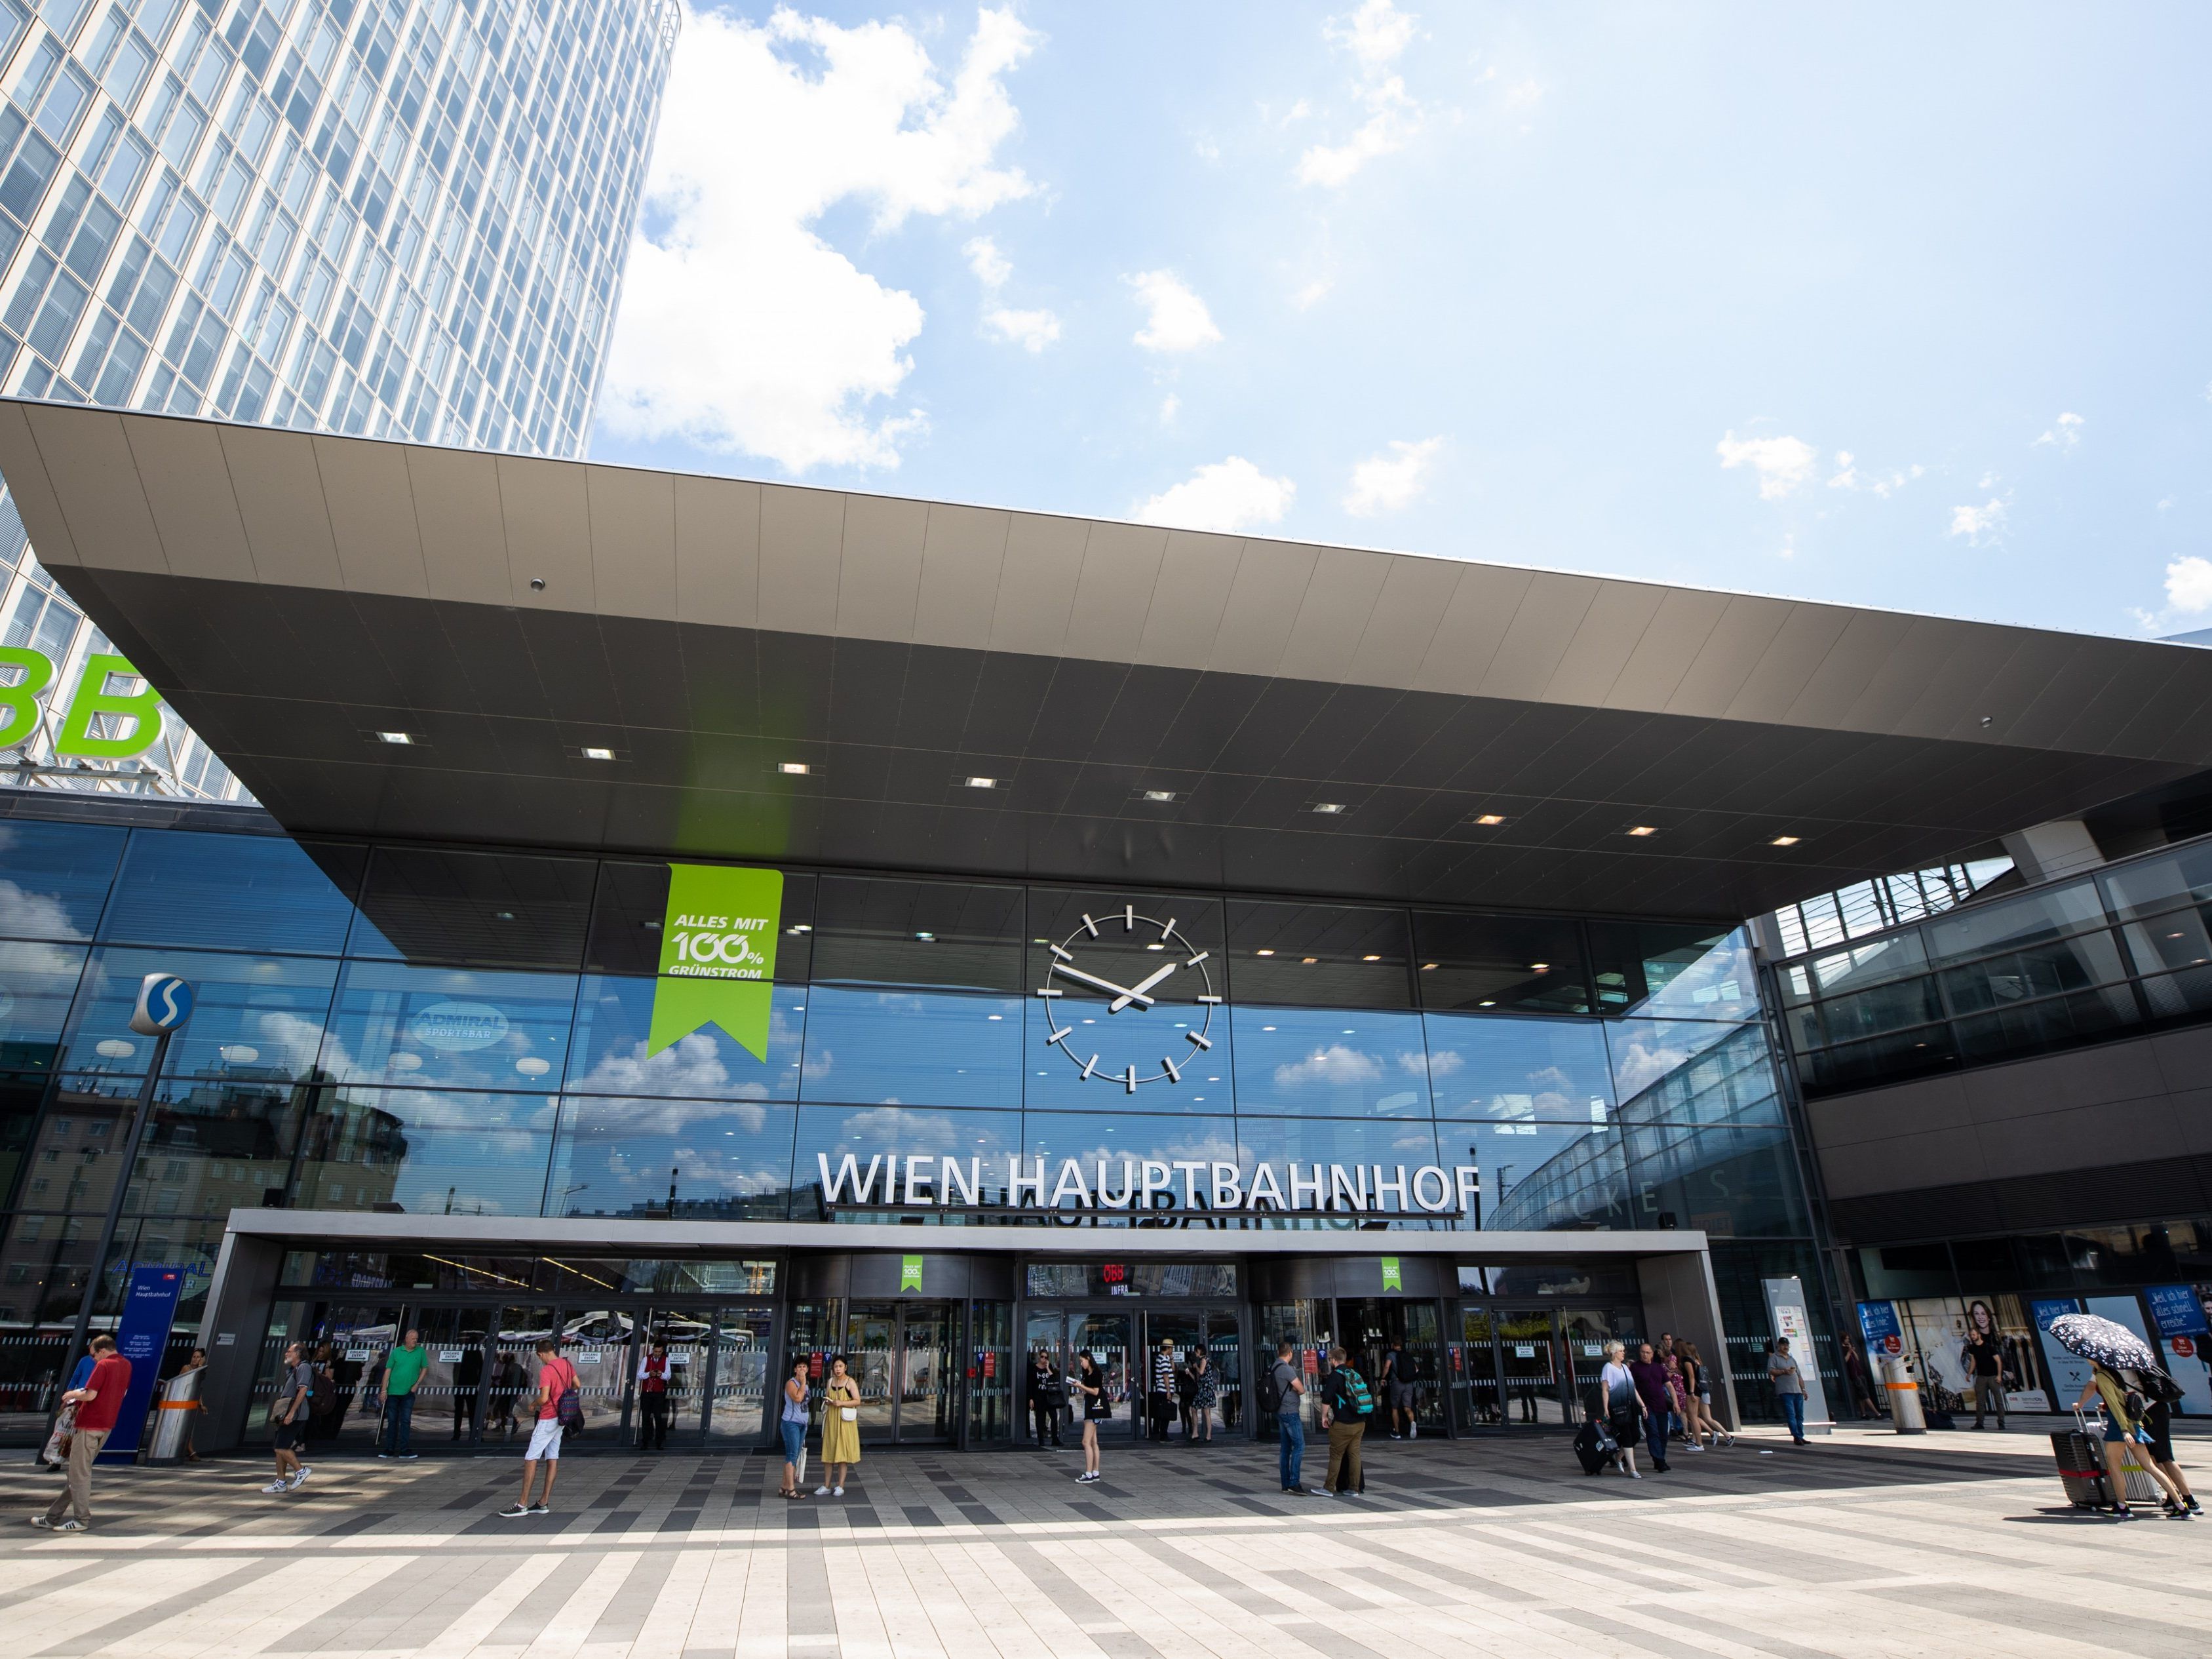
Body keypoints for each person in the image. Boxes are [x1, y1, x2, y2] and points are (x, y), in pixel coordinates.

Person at [31, 1335, 129, 1532]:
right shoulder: (126, 1365)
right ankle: (52, 1517)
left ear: (102, 1350)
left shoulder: (103, 1366)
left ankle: (81, 1519)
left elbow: (90, 1394)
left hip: (89, 1425)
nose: (93, 1360)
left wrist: (73, 1394)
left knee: (80, 1475)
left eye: (94, 1355)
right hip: (106, 1426)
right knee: (76, 1474)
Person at [2075, 1363, 2190, 1520]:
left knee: (2115, 1467)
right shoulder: (2119, 1370)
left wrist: (2124, 1430)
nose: (2088, 1360)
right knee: (2150, 1465)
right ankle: (2181, 1506)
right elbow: (2123, 1398)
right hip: (2134, 1422)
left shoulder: (2103, 1375)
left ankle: (2122, 1507)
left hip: (2120, 1425)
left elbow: (2115, 1406)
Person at [499, 1338, 577, 1517]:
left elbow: (544, 1398)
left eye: (539, 1357)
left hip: (548, 1416)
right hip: (562, 1418)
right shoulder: (566, 1364)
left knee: (531, 1458)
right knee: (552, 1457)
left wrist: (533, 1405)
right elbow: (577, 1385)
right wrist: (564, 1395)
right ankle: (543, 1502)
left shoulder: (547, 1370)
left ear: (541, 1354)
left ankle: (522, 1504)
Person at [2139, 1388, 2201, 1517]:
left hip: (2152, 1410)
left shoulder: (2120, 1369)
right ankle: (2173, 1495)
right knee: (2155, 1457)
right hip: (2150, 1410)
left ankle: (2190, 1501)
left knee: (2165, 1457)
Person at [1319, 1344, 1371, 1496]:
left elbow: (1326, 1399)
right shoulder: (1353, 1373)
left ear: (1334, 1360)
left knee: (1336, 1455)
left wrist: (1324, 1417)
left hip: (1343, 1423)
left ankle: (1329, 1488)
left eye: (1330, 1359)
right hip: (1360, 1421)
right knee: (1354, 1454)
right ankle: (1354, 1488)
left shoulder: (1335, 1376)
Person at [266, 1341, 313, 1494]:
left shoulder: (304, 1367)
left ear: (298, 1354)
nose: (287, 1354)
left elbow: (303, 1390)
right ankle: (280, 1481)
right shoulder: (294, 1369)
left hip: (295, 1414)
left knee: (280, 1447)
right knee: (280, 1448)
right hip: (288, 1413)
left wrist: (292, 1413)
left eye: (289, 1351)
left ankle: (301, 1470)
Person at [1597, 1340, 1644, 1479]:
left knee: (1636, 1435)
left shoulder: (1625, 1367)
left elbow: (1632, 1388)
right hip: (1618, 1406)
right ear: (1614, 1353)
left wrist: (1642, 1404)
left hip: (1631, 1406)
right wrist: (1605, 1407)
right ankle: (1633, 1469)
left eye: (1623, 1351)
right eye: (1621, 1351)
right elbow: (1605, 1389)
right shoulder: (1608, 1368)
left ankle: (1618, 1457)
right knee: (1627, 1435)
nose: (1623, 1353)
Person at [379, 1328, 427, 1459]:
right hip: (393, 1391)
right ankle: (390, 1448)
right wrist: (384, 1390)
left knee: (405, 1421)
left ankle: (404, 1449)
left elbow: (425, 1368)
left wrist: (417, 1384)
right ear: (406, 1339)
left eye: (416, 1339)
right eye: (413, 1338)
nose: (415, 1341)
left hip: (408, 1392)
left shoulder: (420, 1352)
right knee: (392, 1421)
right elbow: (388, 1371)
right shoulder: (396, 1352)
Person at [1272, 1340, 1311, 1494]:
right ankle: (1294, 1482)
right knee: (1300, 1446)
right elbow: (1301, 1389)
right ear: (1290, 1353)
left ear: (1278, 1352)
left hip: (1281, 1411)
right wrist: (1296, 1391)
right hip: (1290, 1412)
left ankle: (1285, 1483)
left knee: (1285, 1449)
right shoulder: (1286, 1369)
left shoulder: (1274, 1367)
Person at [818, 1355, 861, 1496]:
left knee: (842, 1455)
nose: (838, 1369)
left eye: (840, 1366)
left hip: (845, 1422)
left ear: (846, 1367)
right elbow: (827, 1396)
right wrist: (830, 1402)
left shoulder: (850, 1382)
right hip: (832, 1420)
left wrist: (841, 1403)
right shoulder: (831, 1381)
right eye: (836, 1367)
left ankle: (840, 1486)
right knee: (829, 1453)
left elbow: (857, 1401)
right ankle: (826, 1485)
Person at [1678, 1340, 1732, 1449]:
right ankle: (1698, 1438)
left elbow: (1692, 1377)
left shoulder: (1691, 1361)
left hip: (1699, 1392)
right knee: (1693, 1416)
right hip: (1702, 1391)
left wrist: (1692, 1391)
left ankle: (1722, 1435)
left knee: (1703, 1417)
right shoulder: (1697, 1361)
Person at [1628, 1342, 1673, 1473]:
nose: (1645, 1355)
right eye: (1643, 1352)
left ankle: (1660, 1457)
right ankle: (1659, 1460)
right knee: (1653, 1432)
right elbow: (1632, 1386)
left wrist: (1675, 1402)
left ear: (1652, 1354)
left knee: (1663, 1434)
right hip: (1646, 1406)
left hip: (1661, 1405)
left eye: (1648, 1352)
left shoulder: (1658, 1368)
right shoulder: (1635, 1368)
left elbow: (1669, 1385)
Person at [1963, 1302, 2006, 1431]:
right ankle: (1979, 1423)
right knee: (1980, 1402)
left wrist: (1999, 1375)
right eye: (1976, 1314)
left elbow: (1998, 1361)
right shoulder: (1972, 1348)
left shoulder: (1990, 1345)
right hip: (1981, 1376)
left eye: (1974, 1335)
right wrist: (1970, 1374)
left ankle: (2001, 1422)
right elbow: (1973, 1361)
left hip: (1992, 1376)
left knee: (1998, 1401)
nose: (1973, 1337)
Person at [776, 1357, 810, 1499]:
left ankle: (784, 1487)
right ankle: (791, 1489)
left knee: (795, 1455)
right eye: (799, 1367)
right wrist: (802, 1383)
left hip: (802, 1424)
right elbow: (797, 1398)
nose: (802, 1369)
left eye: (804, 1367)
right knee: (791, 1455)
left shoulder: (806, 1385)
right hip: (791, 1423)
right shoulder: (791, 1383)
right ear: (795, 1369)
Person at [1074, 1352, 1108, 1483]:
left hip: (1095, 1409)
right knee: (1093, 1442)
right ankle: (1095, 1472)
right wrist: (1081, 1385)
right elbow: (1089, 1390)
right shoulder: (1087, 1374)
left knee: (1085, 1442)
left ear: (1088, 1359)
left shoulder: (1096, 1373)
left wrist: (1080, 1386)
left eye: (1082, 1360)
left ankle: (1089, 1475)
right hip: (1089, 1408)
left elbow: (1095, 1391)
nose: (1081, 1363)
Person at [1769, 1337, 1810, 1445]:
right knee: (1791, 1414)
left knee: (1800, 1415)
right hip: (1785, 1391)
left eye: (1787, 1345)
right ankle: (1796, 1436)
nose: (1785, 1347)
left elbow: (1799, 1375)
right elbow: (1771, 1370)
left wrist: (1804, 1390)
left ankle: (1800, 1435)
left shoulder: (1792, 1359)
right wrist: (1783, 1371)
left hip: (1797, 1391)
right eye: (1783, 1345)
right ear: (1779, 1345)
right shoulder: (1774, 1357)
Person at [171, 1348, 208, 1463]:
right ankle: (192, 1453)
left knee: (187, 1429)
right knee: (183, 1428)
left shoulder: (198, 1370)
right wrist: (200, 1367)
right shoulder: (187, 1368)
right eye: (194, 1357)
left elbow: (197, 1388)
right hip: (180, 1402)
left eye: (198, 1357)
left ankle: (189, 1452)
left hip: (189, 1402)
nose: (195, 1359)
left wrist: (201, 1404)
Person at [638, 1342, 674, 1451]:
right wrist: (649, 1374)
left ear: (662, 1351)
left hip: (659, 1393)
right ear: (653, 1350)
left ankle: (659, 1441)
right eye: (656, 1351)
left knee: (659, 1418)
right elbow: (640, 1375)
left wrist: (661, 1375)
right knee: (646, 1417)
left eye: (660, 1352)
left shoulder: (665, 1360)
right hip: (647, 1392)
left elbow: (668, 1376)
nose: (657, 1354)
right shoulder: (646, 1359)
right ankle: (645, 1441)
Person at [1661, 1348, 1699, 1453]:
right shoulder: (1687, 1360)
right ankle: (1694, 1438)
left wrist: (1691, 1392)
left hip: (1683, 1390)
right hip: (1684, 1390)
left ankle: (1696, 1439)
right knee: (1691, 1415)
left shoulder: (1683, 1360)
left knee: (1691, 1415)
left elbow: (1691, 1376)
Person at [1028, 1348, 1064, 1447]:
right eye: (1042, 1357)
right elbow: (1031, 1385)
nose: (1044, 1359)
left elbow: (1053, 1379)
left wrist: (1048, 1368)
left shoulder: (1049, 1367)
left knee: (1054, 1416)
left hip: (1049, 1397)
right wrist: (1031, 1398)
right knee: (1040, 1419)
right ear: (1039, 1357)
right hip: (1038, 1397)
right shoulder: (1034, 1368)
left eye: (1046, 1357)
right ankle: (1041, 1440)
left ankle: (1055, 1439)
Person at [1840, 1336, 1879, 1420]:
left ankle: (1863, 1413)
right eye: (1846, 1339)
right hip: (1854, 1375)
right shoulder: (1842, 1350)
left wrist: (1852, 1351)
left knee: (1861, 1395)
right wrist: (1849, 1352)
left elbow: (1857, 1359)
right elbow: (1844, 1361)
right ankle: (1877, 1413)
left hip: (1859, 1373)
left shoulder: (1850, 1349)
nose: (1848, 1340)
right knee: (1865, 1394)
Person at [453, 1341, 483, 1441]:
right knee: (472, 1411)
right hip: (471, 1384)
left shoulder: (464, 1352)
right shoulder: (476, 1353)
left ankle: (457, 1433)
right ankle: (473, 1433)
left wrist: (455, 1385)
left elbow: (456, 1369)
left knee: (460, 1411)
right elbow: (482, 1369)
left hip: (462, 1384)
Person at [1186, 1347, 1216, 1444]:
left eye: (1196, 1351)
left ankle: (1207, 1435)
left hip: (1205, 1389)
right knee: (1197, 1409)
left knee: (1204, 1411)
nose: (1195, 1353)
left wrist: (1196, 1367)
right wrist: (1190, 1372)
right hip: (1203, 1388)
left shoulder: (1204, 1360)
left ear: (1200, 1352)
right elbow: (1198, 1378)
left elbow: (1201, 1372)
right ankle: (1199, 1434)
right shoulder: (1205, 1360)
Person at [1149, 1338, 1176, 1441]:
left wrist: (1172, 1359)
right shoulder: (1164, 1360)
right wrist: (1168, 1391)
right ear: (1168, 1348)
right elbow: (1166, 1376)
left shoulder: (1163, 1358)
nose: (1172, 1351)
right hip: (1164, 1390)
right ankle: (1163, 1435)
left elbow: (1172, 1370)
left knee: (1163, 1411)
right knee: (1166, 1413)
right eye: (1171, 1349)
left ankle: (1159, 1432)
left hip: (1162, 1389)